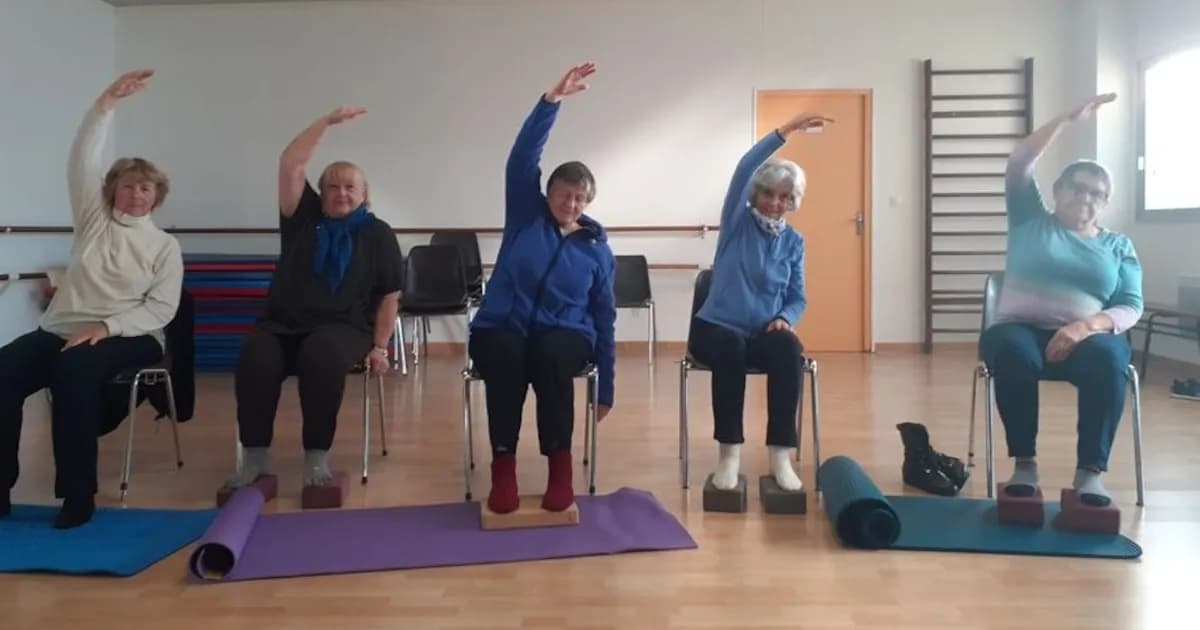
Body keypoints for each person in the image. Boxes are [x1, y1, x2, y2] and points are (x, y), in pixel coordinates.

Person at [0, 69, 183, 528]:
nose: (136, 194)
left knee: (73, 368)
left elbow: (161, 309)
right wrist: (105, 105)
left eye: (145, 187)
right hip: (61, 328)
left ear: (156, 196)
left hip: (133, 334)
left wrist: (105, 328)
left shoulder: (163, 246)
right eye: (127, 185)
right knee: (4, 370)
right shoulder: (94, 221)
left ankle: (77, 495)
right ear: (111, 192)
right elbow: (82, 159)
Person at [225, 106, 403, 493]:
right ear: (321, 194)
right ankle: (255, 456)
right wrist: (325, 123)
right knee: (256, 355)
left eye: (350, 187)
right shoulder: (302, 216)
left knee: (320, 355)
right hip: (281, 324)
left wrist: (381, 347)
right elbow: (290, 162)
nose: (341, 193)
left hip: (344, 329)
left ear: (364, 194)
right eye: (333, 187)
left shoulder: (378, 234)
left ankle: (316, 455)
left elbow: (389, 296)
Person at [468, 62, 616, 514]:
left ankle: (560, 471)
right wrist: (550, 102)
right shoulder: (525, 218)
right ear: (547, 193)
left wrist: (605, 385)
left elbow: (604, 317)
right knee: (507, 356)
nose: (570, 204)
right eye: (562, 194)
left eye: (579, 198)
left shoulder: (597, 251)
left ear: (587, 202)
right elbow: (522, 158)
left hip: (565, 333)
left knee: (552, 358)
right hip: (502, 325)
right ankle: (504, 469)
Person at [982, 93, 1143, 507]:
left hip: (1088, 336)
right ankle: (1025, 465)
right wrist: (1066, 120)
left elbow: (1130, 304)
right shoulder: (1030, 218)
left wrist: (1087, 325)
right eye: (1077, 187)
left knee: (1111, 360)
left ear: (1104, 203)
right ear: (1057, 190)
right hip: (1019, 328)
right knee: (1013, 351)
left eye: (1097, 193)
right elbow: (1019, 163)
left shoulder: (1117, 245)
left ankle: (1090, 473)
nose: (1086, 198)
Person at [689, 111, 833, 493]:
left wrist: (786, 317)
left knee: (789, 347)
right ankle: (729, 454)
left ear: (792, 202)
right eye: (768, 193)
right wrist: (786, 131)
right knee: (729, 346)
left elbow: (797, 296)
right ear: (756, 194)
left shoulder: (794, 242)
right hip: (717, 329)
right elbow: (744, 167)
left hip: (763, 333)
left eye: (784, 197)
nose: (774, 202)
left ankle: (780, 455)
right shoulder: (737, 221)